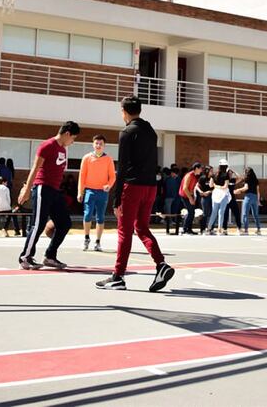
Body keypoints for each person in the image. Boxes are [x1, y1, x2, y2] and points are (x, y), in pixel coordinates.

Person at [95, 96, 175, 291]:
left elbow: (122, 168)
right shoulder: (151, 131)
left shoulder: (126, 133)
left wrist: (116, 200)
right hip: (150, 187)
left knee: (124, 230)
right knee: (141, 227)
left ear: (124, 111)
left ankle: (118, 276)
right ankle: (161, 264)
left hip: (132, 187)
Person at [18, 121, 81, 270]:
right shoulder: (47, 145)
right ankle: (25, 258)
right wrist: (27, 189)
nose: (73, 142)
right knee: (38, 224)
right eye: (73, 138)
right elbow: (35, 168)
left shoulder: (63, 150)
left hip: (55, 191)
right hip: (42, 188)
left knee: (65, 223)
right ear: (67, 134)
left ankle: (50, 256)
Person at [78, 134, 115, 251]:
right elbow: (82, 176)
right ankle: (86, 237)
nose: (98, 145)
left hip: (102, 192)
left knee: (100, 217)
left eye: (101, 144)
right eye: (96, 143)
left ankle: (98, 242)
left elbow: (113, 176)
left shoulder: (108, 159)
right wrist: (80, 192)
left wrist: (108, 185)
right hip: (89, 190)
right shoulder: (86, 158)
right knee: (87, 214)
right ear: (93, 144)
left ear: (104, 146)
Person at [207, 161, 233, 234]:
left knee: (214, 212)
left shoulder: (214, 174)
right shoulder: (226, 175)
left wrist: (216, 186)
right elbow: (225, 186)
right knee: (221, 212)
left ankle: (209, 228)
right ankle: (219, 229)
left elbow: (210, 185)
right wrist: (220, 186)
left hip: (215, 194)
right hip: (223, 194)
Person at [236, 166, 262, 235]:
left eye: (244, 172)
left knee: (245, 214)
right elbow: (258, 191)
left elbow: (246, 188)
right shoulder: (256, 180)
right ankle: (258, 229)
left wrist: (238, 190)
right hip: (255, 197)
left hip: (248, 197)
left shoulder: (247, 179)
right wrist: (258, 201)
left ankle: (246, 230)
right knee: (255, 214)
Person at [180, 162, 202, 235]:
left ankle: (189, 229)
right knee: (191, 212)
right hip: (184, 195)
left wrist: (193, 195)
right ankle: (184, 229)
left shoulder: (195, 176)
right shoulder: (189, 175)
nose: (201, 170)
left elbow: (192, 187)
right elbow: (185, 188)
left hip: (189, 195)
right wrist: (190, 198)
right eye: (200, 168)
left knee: (192, 212)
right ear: (196, 168)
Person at [195, 166, 214, 234]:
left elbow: (216, 187)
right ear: (207, 171)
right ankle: (202, 229)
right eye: (211, 170)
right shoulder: (202, 178)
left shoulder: (213, 178)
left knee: (212, 213)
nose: (212, 172)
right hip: (204, 197)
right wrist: (201, 192)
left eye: (212, 170)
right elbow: (196, 186)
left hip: (212, 197)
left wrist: (209, 192)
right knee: (204, 213)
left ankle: (211, 229)